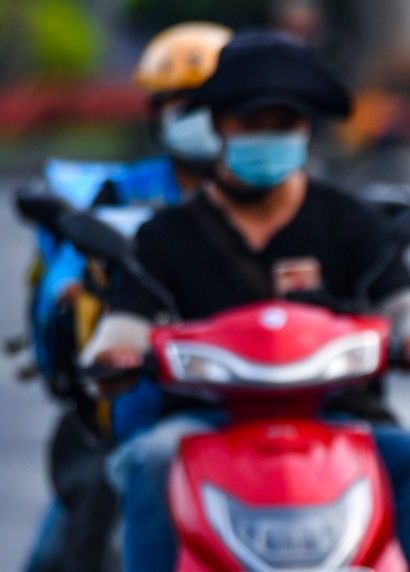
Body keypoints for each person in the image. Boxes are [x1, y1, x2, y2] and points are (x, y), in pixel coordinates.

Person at [82, 30, 410, 572]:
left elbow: (405, 299)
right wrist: (112, 355)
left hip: (342, 417)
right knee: (151, 458)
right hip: (206, 422)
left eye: (283, 125)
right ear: (218, 126)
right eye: (250, 123)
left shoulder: (346, 218)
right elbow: (126, 321)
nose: (268, 136)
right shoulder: (166, 234)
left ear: (306, 131)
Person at [21, 21, 232, 572]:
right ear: (156, 112)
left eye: (212, 104)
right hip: (147, 388)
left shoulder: (276, 195)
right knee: (81, 522)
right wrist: (72, 298)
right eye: (180, 104)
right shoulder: (119, 193)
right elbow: (74, 265)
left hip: (260, 385)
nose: (197, 120)